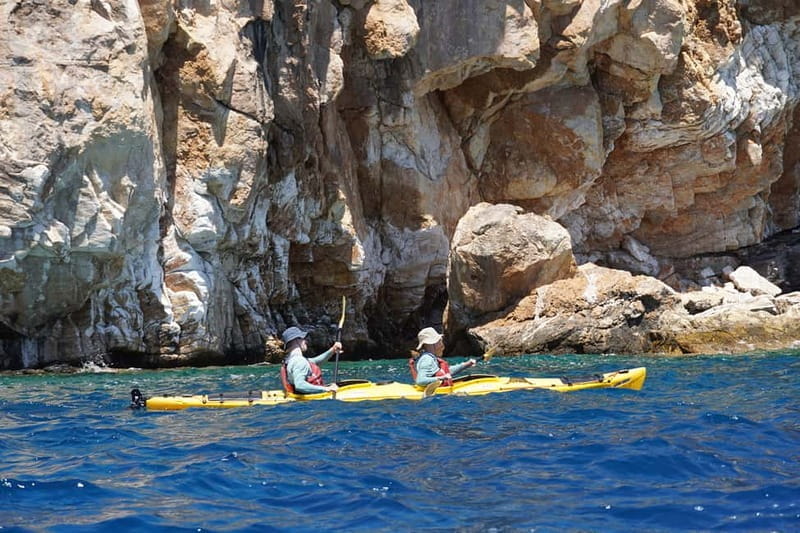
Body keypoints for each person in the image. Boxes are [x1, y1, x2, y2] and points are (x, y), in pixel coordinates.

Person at [280, 326, 341, 394]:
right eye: (303, 338)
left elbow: (315, 362)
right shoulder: (299, 361)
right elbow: (300, 385)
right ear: (297, 340)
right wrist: (327, 389)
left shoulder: (290, 360)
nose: (305, 341)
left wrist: (332, 350)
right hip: (312, 399)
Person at [409, 327, 475, 387]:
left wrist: (466, 364)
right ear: (432, 343)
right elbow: (420, 381)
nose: (441, 343)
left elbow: (447, 371)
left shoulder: (431, 358)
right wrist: (442, 378)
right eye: (439, 341)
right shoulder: (427, 360)